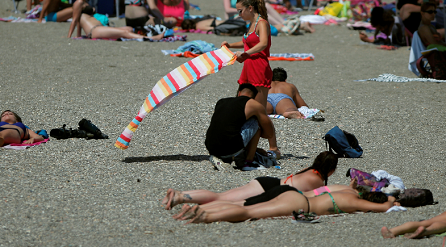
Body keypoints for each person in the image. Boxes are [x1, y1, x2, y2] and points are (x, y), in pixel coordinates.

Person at [162, 151, 338, 210]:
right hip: (270, 190)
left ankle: (181, 196)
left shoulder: (309, 170)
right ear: (331, 169)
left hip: (268, 182)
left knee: (221, 196)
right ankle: (179, 198)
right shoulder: (318, 181)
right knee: (222, 199)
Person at [179, 181, 396, 223]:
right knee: (247, 213)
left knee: (245, 206)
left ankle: (200, 209)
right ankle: (205, 216)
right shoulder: (356, 203)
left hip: (294, 195)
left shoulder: (348, 192)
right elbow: (384, 207)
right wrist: (392, 201)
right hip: (298, 205)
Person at [205, 83, 279, 171]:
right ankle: (248, 162)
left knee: (232, 125)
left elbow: (224, 128)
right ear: (253, 97)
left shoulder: (221, 101)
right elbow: (269, 133)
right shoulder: (254, 104)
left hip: (211, 148)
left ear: (239, 93)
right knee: (256, 122)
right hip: (231, 148)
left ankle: (222, 158)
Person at [221, 0, 273, 108]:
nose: (239, 15)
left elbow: (263, 43)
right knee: (243, 104)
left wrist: (246, 53)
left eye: (240, 11)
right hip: (249, 65)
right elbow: (246, 42)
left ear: (250, 8)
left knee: (258, 107)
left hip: (259, 66)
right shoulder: (251, 24)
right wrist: (230, 45)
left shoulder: (262, 23)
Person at [68, 0, 152, 40]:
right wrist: (69, 37)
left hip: (99, 28)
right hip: (94, 30)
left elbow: (79, 21)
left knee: (128, 28)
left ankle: (147, 36)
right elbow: (75, 20)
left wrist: (78, 36)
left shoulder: (84, 2)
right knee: (124, 32)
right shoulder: (78, 2)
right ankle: (150, 38)